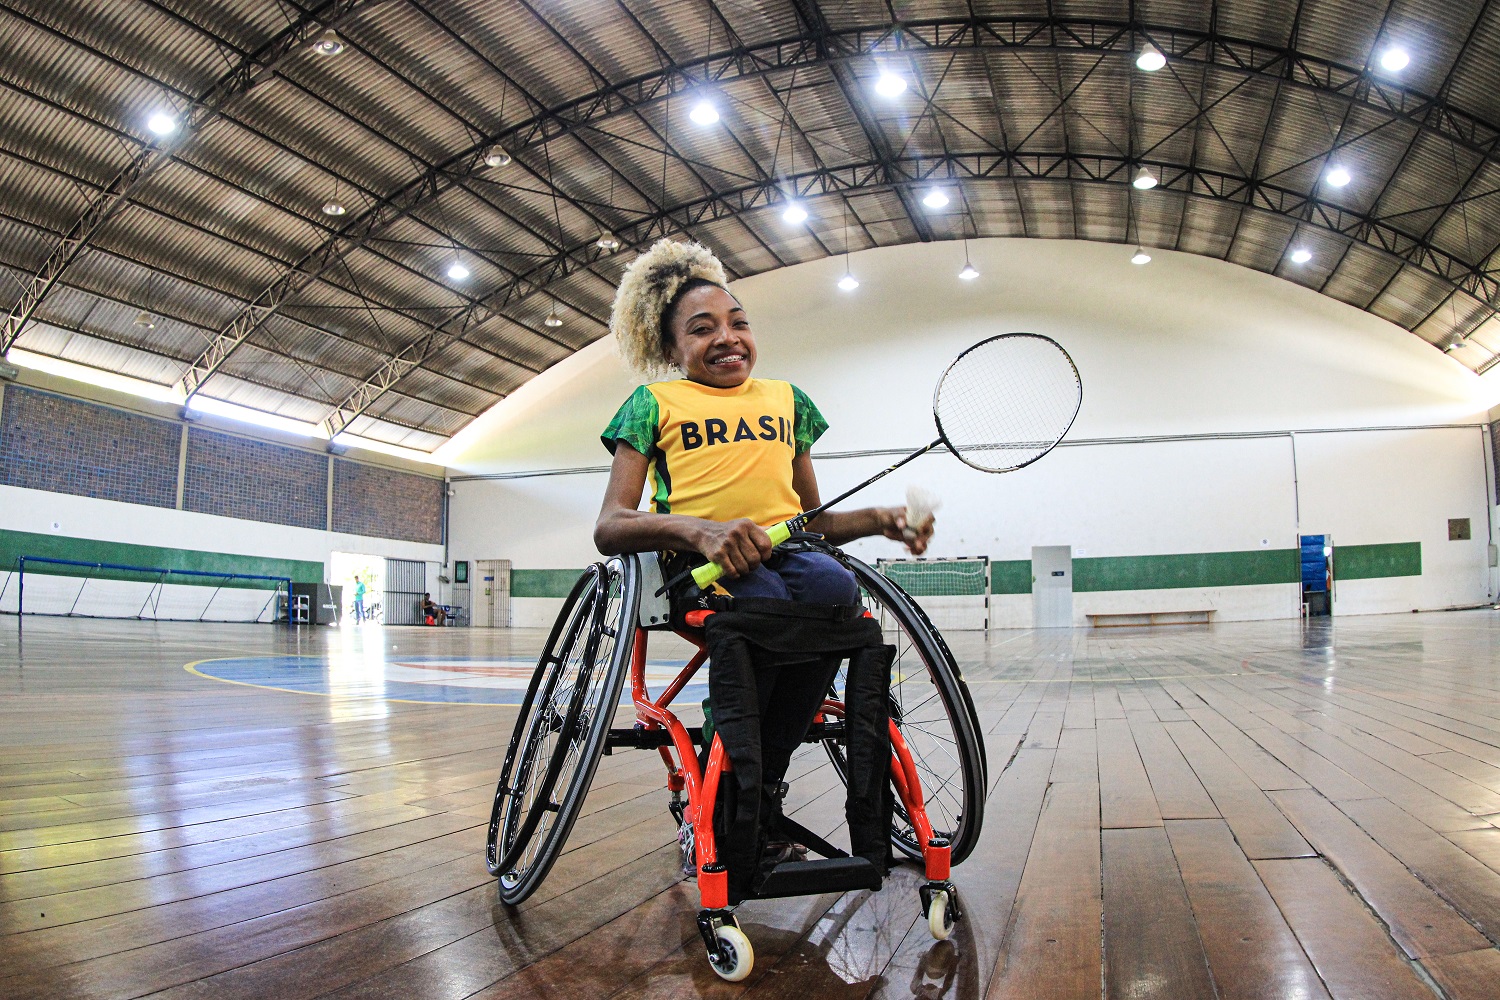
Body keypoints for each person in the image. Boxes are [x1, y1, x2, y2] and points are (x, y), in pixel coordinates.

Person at [593, 238, 933, 596]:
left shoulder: (789, 399)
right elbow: (610, 526)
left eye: (739, 324)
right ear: (669, 351)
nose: (727, 337)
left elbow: (812, 520)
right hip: (698, 562)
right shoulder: (651, 403)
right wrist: (701, 532)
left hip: (790, 554)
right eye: (702, 329)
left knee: (837, 588)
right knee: (763, 599)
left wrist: (880, 519)